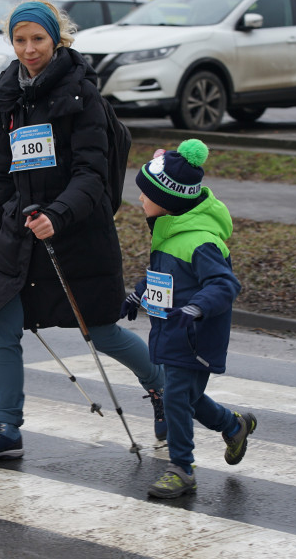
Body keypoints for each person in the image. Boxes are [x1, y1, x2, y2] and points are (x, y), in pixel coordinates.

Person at [0, 0, 166, 463]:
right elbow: (5, 179)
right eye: (20, 39)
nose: (29, 49)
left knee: (104, 332)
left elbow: (91, 175)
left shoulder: (82, 94)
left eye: (38, 39)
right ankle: (6, 429)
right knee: (2, 324)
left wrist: (59, 215)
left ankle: (163, 391)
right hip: (21, 235)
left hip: (78, 237)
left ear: (57, 39)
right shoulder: (11, 96)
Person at [119, 139, 254, 499]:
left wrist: (197, 308)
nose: (140, 200)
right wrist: (138, 292)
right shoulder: (169, 232)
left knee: (177, 397)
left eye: (145, 194)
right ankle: (233, 425)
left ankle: (182, 468)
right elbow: (162, 275)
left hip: (196, 335)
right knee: (187, 398)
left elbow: (225, 284)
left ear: (169, 201)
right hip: (171, 331)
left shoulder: (201, 242)